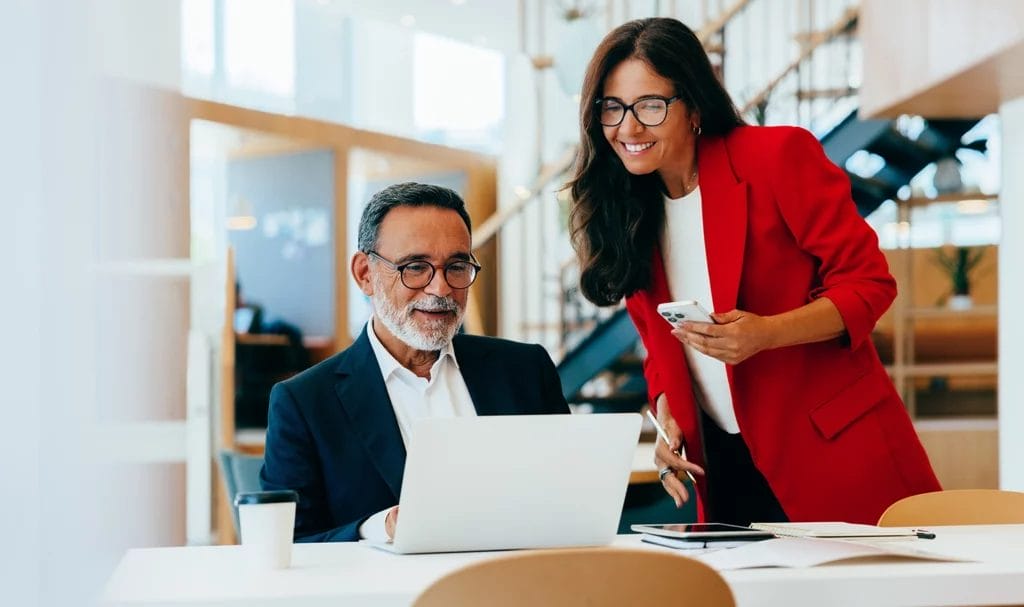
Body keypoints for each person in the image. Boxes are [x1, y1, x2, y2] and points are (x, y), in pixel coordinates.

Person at [568, 17, 940, 526]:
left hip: (830, 450)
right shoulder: (629, 208)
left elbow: (869, 283)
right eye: (611, 107)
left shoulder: (776, 157)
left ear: (693, 105)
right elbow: (659, 343)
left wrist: (766, 334)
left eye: (650, 105)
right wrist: (667, 413)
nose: (628, 127)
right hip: (723, 466)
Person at [260, 182, 570, 542]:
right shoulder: (305, 403)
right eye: (415, 267)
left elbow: (567, 497)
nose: (440, 289)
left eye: (456, 266)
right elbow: (285, 544)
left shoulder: (526, 370)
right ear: (364, 274)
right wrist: (381, 527)